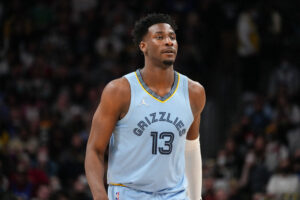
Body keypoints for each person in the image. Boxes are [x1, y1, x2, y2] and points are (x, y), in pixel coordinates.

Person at [84, 13, 206, 200]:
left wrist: (196, 197)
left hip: (175, 194)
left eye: (172, 37)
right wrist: (100, 195)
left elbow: (191, 147)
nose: (169, 42)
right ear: (143, 46)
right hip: (128, 193)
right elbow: (95, 150)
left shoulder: (194, 92)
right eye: (159, 37)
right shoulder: (119, 91)